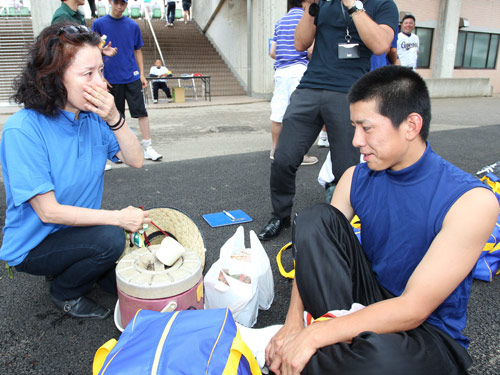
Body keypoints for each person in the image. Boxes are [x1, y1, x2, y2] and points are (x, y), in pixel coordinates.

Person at [264, 65, 499, 374]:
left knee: (376, 361)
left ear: (411, 125)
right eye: (354, 127)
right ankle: (321, 350)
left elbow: (413, 309)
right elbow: (311, 250)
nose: (356, 141)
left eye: (367, 128)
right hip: (369, 299)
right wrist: (293, 324)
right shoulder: (354, 177)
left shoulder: (471, 200)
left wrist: (314, 334)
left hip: (426, 332)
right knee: (315, 218)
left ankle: (322, 348)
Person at [1, 23, 151, 320]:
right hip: (34, 244)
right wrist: (119, 218)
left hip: (76, 231)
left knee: (118, 277)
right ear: (54, 78)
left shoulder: (92, 119)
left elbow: (136, 159)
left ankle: (75, 267)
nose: (102, 83)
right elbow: (49, 212)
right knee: (111, 240)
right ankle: (64, 292)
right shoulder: (23, 130)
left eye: (101, 71)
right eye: (88, 74)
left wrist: (115, 117)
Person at [257, 0, 399, 241]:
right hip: (309, 88)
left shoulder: (383, 4)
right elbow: (300, 43)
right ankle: (280, 215)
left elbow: (380, 45)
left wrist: (353, 5)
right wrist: (311, 6)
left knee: (347, 168)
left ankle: (342, 223)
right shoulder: (323, 3)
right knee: (283, 158)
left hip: (350, 94)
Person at [92, 0, 163, 161]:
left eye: (122, 3)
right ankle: (115, 152)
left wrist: (142, 75)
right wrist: (101, 76)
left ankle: (148, 147)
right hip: (111, 78)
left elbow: (138, 50)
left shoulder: (133, 26)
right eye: (116, 2)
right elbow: (93, 51)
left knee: (141, 112)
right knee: (114, 116)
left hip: (131, 76)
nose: (119, 6)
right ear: (110, 2)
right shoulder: (98, 24)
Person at [269, 0, 317, 167]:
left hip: (281, 72)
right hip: (299, 70)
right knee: (300, 115)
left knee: (278, 112)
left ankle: (275, 151)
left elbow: (272, 52)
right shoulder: (308, 18)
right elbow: (310, 50)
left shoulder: (280, 21)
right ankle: (300, 154)